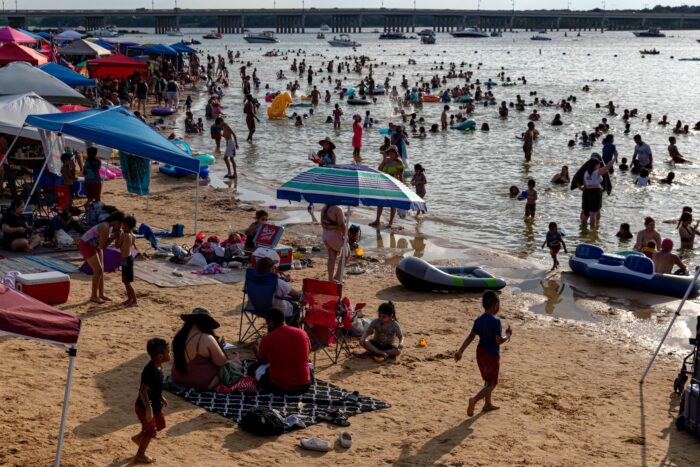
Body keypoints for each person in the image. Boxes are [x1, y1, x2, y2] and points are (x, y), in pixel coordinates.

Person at [454, 291, 512, 417]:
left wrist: (460, 351)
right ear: (496, 305)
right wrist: (507, 335)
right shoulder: (496, 322)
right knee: (492, 383)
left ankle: (487, 404)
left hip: (480, 353)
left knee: (487, 379)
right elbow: (498, 340)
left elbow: (471, 336)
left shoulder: (478, 320)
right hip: (492, 355)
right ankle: (474, 400)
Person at [172, 308, 239, 391]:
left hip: (178, 378)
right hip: (199, 383)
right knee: (235, 366)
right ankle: (237, 361)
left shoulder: (179, 337)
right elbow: (222, 363)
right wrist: (220, 348)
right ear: (206, 323)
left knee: (233, 363)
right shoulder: (206, 338)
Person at [132, 338, 170, 465]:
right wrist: (148, 409)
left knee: (160, 424)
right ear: (160, 356)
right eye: (168, 352)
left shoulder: (158, 366)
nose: (170, 354)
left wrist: (161, 397)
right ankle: (140, 455)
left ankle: (139, 438)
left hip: (155, 404)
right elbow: (143, 391)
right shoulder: (150, 371)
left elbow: (155, 387)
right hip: (144, 407)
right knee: (150, 431)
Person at [256, 308, 311, 394]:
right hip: (304, 385)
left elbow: (263, 361)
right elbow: (307, 353)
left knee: (255, 370)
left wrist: (257, 349)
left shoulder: (267, 338)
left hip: (280, 386)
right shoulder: (302, 333)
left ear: (271, 323)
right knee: (309, 365)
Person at [79, 210, 124, 304]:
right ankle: (93, 296)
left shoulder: (109, 227)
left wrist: (114, 237)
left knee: (101, 271)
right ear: (117, 221)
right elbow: (102, 246)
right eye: (121, 224)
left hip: (94, 245)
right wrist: (114, 237)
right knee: (98, 270)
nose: (121, 227)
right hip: (87, 245)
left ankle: (101, 294)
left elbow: (103, 244)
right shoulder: (105, 227)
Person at [255, 257, 301, 322]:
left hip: (259, 309)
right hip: (278, 312)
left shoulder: (253, 281)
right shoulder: (278, 283)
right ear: (271, 270)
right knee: (296, 307)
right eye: (274, 268)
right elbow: (297, 296)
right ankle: (288, 327)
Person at [370, 145, 404, 228]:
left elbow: (400, 176)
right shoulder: (386, 161)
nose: (391, 154)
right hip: (384, 184)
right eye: (389, 152)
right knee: (380, 202)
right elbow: (379, 170)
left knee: (393, 204)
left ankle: (390, 222)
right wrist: (384, 160)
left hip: (394, 185)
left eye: (392, 152)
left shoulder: (399, 162)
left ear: (396, 153)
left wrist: (402, 186)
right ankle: (377, 220)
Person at [580, 155, 615, 228]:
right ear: (595, 165)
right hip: (595, 193)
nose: (600, 165)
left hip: (586, 193)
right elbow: (608, 166)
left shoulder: (586, 172)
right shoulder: (597, 172)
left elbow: (585, 185)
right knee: (593, 214)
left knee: (586, 214)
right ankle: (593, 232)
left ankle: (583, 230)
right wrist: (615, 157)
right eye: (599, 164)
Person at [116, 215, 137, 307]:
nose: (123, 227)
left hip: (126, 260)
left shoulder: (124, 235)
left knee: (127, 282)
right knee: (126, 281)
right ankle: (129, 299)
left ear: (129, 227)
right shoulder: (132, 235)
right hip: (128, 258)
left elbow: (117, 246)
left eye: (125, 226)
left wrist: (117, 237)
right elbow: (132, 244)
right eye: (123, 225)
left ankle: (134, 301)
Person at [321, 204, 346, 283]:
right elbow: (341, 224)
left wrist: (332, 227)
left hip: (326, 234)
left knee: (332, 257)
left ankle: (331, 278)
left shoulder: (324, 208)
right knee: (346, 254)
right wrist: (346, 236)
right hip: (335, 235)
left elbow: (322, 223)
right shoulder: (337, 209)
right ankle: (338, 276)